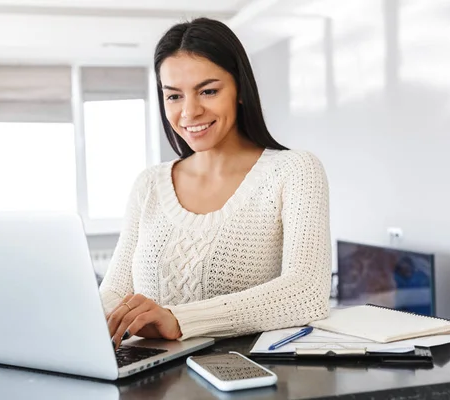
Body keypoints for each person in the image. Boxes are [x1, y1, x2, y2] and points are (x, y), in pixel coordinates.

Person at [99, 17, 331, 349]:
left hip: (252, 381)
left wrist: (179, 321)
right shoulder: (149, 184)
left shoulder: (295, 170)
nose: (189, 111)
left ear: (239, 89)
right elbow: (114, 291)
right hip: (149, 382)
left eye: (208, 91)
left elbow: (307, 292)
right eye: (174, 96)